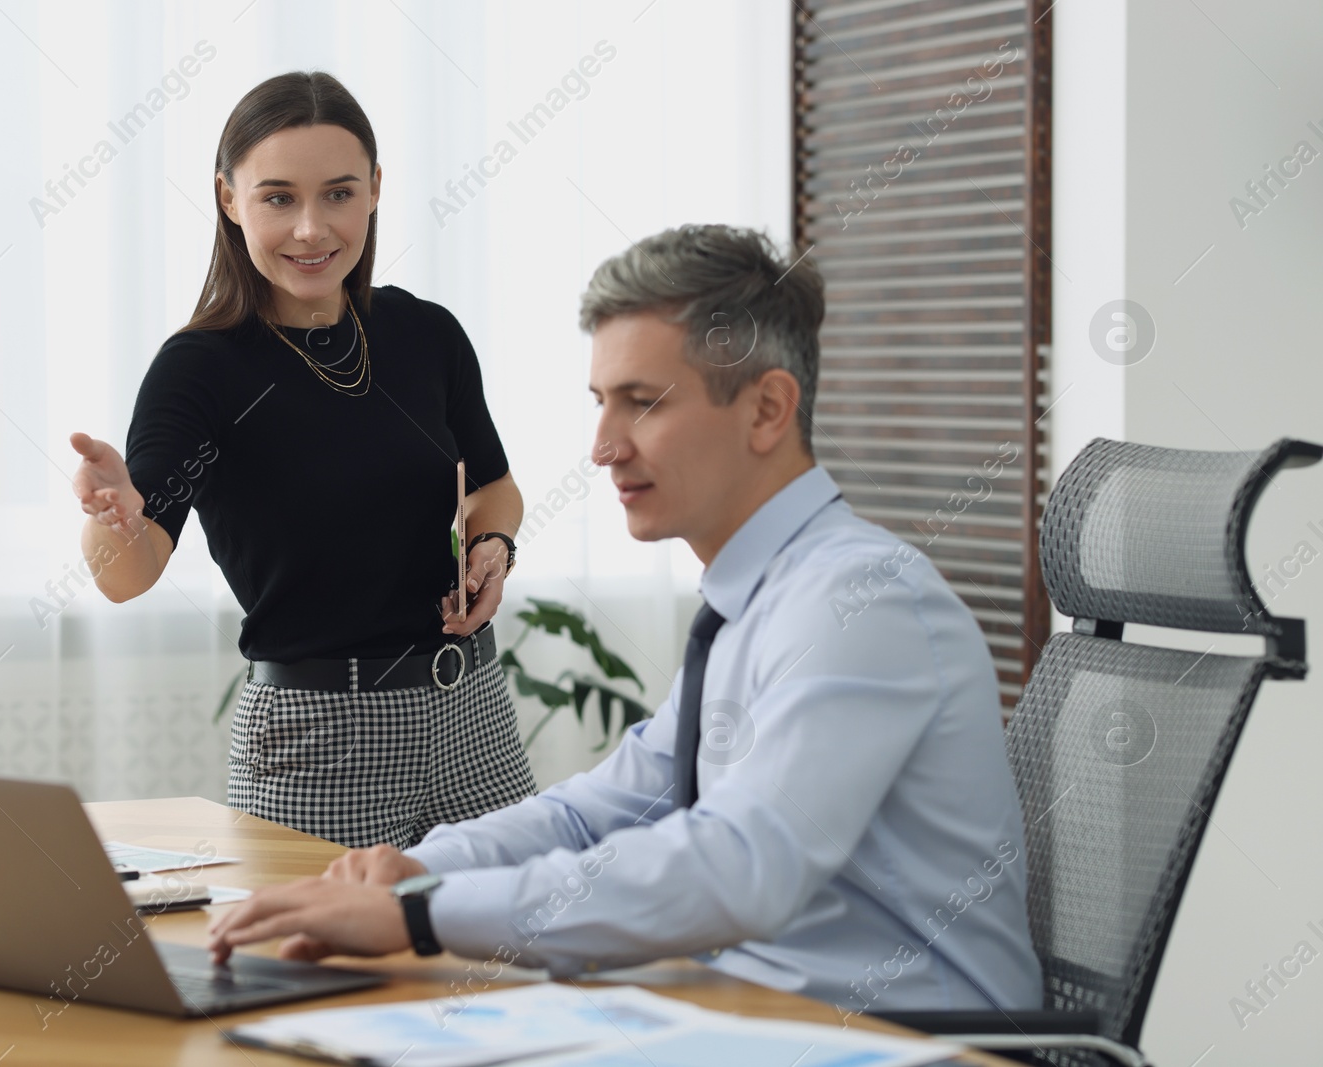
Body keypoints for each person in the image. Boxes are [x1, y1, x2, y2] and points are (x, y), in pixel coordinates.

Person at [205, 223, 1043, 1015]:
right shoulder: (753, 598)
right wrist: (417, 868)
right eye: (602, 400)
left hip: (899, 1038)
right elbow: (607, 805)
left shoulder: (860, 603)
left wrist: (423, 917)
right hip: (749, 1014)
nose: (603, 444)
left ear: (766, 409)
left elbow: (738, 868)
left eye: (642, 402)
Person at [68, 71, 537, 849]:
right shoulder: (200, 369)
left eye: (340, 194)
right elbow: (128, 572)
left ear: (377, 190)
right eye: (279, 197)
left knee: (518, 954)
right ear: (229, 200)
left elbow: (494, 485)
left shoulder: (428, 335)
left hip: (473, 714)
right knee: (316, 971)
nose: (313, 229)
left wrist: (492, 544)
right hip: (320, 740)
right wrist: (111, 515)